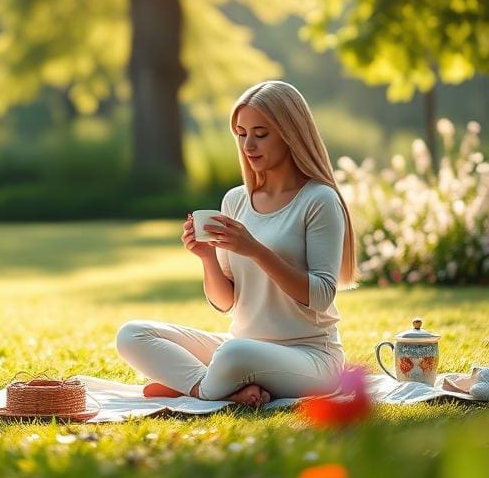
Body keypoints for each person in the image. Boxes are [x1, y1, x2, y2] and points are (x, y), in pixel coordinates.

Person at [115, 80, 356, 407]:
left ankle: (196, 387)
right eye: (241, 134)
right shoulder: (236, 200)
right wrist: (207, 257)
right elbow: (226, 302)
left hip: (310, 358)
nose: (248, 145)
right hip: (243, 346)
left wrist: (254, 249)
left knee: (233, 353)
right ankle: (212, 386)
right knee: (132, 334)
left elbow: (320, 295)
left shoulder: (319, 200)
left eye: (261, 133)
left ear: (290, 133)